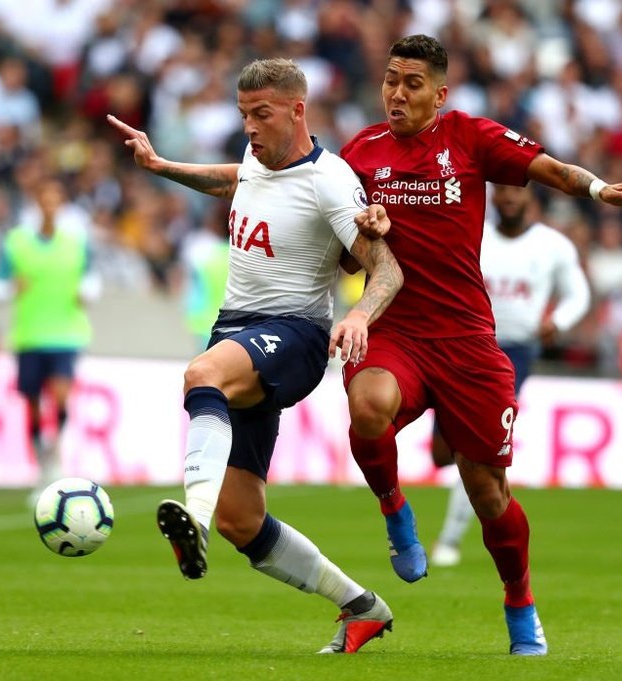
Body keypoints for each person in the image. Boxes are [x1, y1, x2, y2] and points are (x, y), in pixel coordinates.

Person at [338, 34, 622, 656]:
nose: (396, 94)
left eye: (411, 84)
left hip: (467, 341)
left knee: (488, 493)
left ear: (440, 92)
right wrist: (359, 234)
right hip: (396, 331)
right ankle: (394, 510)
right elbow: (327, 224)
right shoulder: (361, 152)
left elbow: (552, 172)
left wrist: (599, 191)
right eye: (389, 80)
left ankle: (520, 601)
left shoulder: (471, 136)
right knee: (366, 406)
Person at [107, 57, 404, 654]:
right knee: (242, 520)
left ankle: (192, 511)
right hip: (237, 330)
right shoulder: (257, 157)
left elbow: (386, 268)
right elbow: (234, 180)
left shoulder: (330, 180)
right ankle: (362, 606)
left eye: (261, 114)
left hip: (294, 333)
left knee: (201, 376)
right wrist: (163, 166)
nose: (249, 126)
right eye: (244, 114)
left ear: (298, 110)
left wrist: (356, 314)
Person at [429, 183, 591, 568]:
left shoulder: (552, 246)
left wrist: (559, 321)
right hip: (461, 345)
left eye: (517, 193)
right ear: (493, 198)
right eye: (502, 192)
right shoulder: (473, 233)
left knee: (475, 450)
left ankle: (450, 539)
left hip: (512, 352)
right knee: (442, 453)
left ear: (531, 200)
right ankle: (482, 483)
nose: (510, 199)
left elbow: (578, 293)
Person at [0, 177, 101, 499]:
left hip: (66, 333)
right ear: (37, 203)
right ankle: (41, 466)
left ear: (61, 204)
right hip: (30, 335)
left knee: (61, 398)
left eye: (55, 199)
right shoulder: (17, 242)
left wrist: (86, 293)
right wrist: (9, 289)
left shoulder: (76, 242)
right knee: (33, 406)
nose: (50, 205)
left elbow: (92, 278)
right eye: (45, 199)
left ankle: (54, 457)